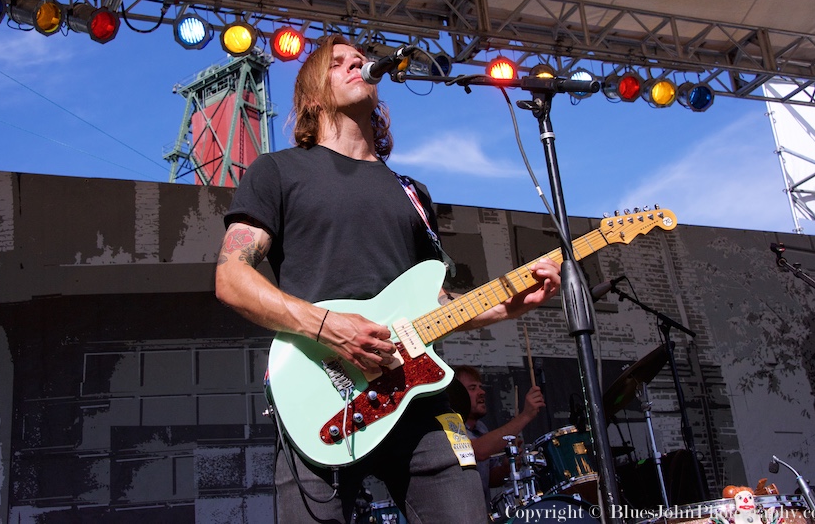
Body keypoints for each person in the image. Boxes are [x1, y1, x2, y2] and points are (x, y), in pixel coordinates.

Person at [214, 35, 562, 524]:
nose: (357, 63)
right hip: (321, 392)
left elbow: (436, 301)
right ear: (312, 95)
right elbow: (231, 277)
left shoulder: (412, 192)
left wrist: (510, 303)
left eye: (360, 59)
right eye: (338, 63)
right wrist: (328, 326)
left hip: (422, 398)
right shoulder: (278, 171)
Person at [454, 365, 546, 508]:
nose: (482, 392)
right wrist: (526, 415)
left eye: (480, 386)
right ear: (455, 395)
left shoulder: (481, 428)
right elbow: (478, 451)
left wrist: (506, 467)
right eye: (472, 388)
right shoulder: (449, 427)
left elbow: (490, 479)